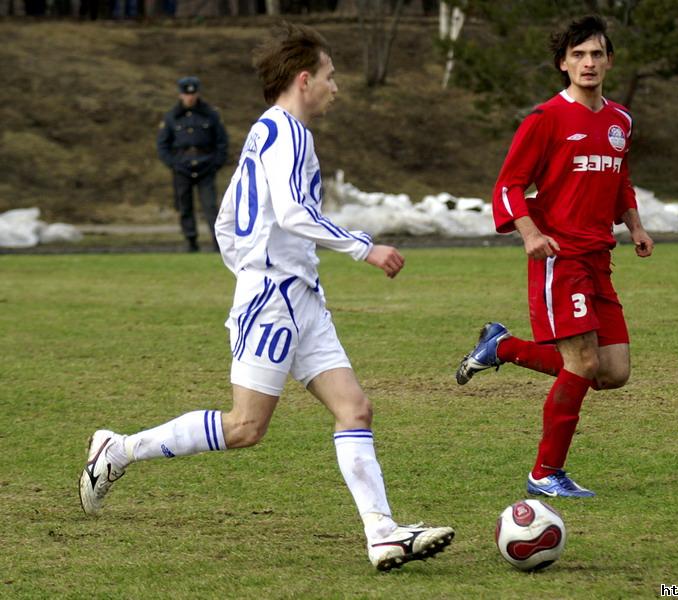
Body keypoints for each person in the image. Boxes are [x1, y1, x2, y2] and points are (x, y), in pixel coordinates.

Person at [80, 22, 455, 572]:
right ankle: (118, 450)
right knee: (245, 428)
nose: (336, 86)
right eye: (330, 76)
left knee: (355, 408)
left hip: (298, 294)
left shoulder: (272, 132)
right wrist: (360, 249)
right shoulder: (284, 133)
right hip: (275, 297)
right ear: (304, 79)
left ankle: (382, 533)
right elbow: (290, 213)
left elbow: (229, 217)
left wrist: (254, 265)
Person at [455, 15, 654, 498]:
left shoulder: (620, 120)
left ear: (609, 61)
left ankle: (502, 347)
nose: (588, 63)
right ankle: (545, 473)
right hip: (558, 257)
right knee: (582, 362)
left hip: (598, 257)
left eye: (597, 54)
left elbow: (619, 178)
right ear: (563, 63)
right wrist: (529, 233)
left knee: (613, 371)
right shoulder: (545, 119)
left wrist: (636, 225)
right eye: (578, 55)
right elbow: (508, 185)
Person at [157, 76, 228, 252]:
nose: (190, 97)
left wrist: (216, 163)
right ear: (180, 95)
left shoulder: (210, 115)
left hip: (206, 166)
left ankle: (217, 242)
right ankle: (191, 241)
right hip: (182, 167)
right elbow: (163, 144)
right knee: (184, 206)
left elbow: (221, 141)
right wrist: (173, 163)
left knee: (210, 206)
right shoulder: (172, 117)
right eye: (186, 94)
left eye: (193, 93)